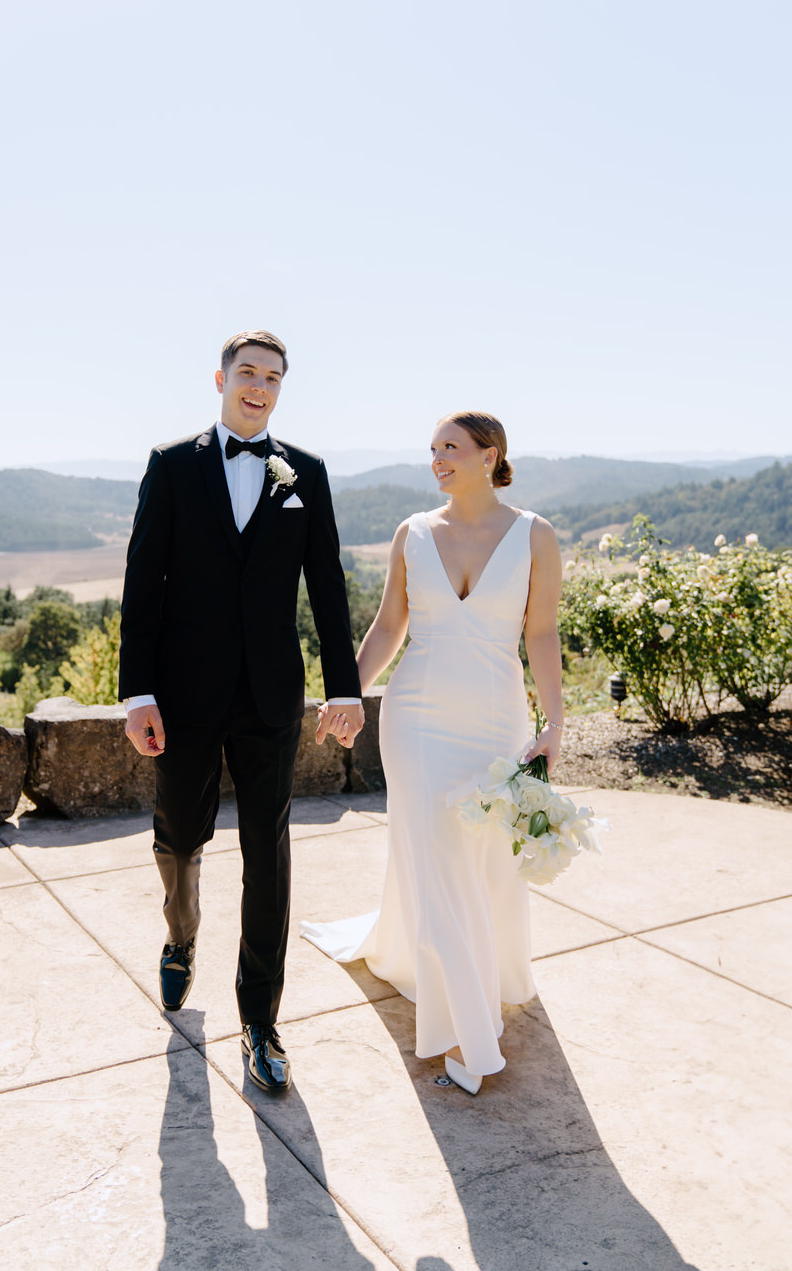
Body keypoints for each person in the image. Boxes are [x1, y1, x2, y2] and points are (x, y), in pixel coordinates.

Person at [120, 330, 363, 1092]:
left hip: (270, 698)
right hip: (183, 697)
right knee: (180, 834)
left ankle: (260, 1019)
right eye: (248, 373)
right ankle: (180, 933)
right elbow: (142, 585)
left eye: (273, 377)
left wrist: (346, 686)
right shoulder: (170, 466)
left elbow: (326, 586)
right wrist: (139, 692)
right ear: (220, 378)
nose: (259, 386)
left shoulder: (307, 474)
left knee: (270, 851)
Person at [302, 411, 563, 1094]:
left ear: (490, 455)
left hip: (497, 716)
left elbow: (541, 633)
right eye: (432, 450)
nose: (437, 459)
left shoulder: (536, 536)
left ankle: (479, 978)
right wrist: (347, 694)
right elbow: (390, 625)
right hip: (416, 717)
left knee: (480, 859)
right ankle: (459, 1036)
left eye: (451, 447)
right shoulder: (412, 534)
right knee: (439, 856)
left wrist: (554, 721)